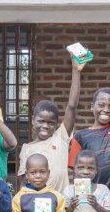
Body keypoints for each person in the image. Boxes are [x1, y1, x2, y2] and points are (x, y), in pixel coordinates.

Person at [68, 48, 110, 190]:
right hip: (92, 195)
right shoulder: (81, 136)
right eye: (101, 105)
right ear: (92, 107)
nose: (106, 109)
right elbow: (75, 172)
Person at [18, 55, 81, 193]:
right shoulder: (26, 148)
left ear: (56, 124)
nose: (45, 126)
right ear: (33, 120)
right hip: (37, 204)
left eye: (50, 123)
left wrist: (76, 70)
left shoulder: (60, 137)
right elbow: (23, 182)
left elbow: (72, 105)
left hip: (61, 205)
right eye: (41, 121)